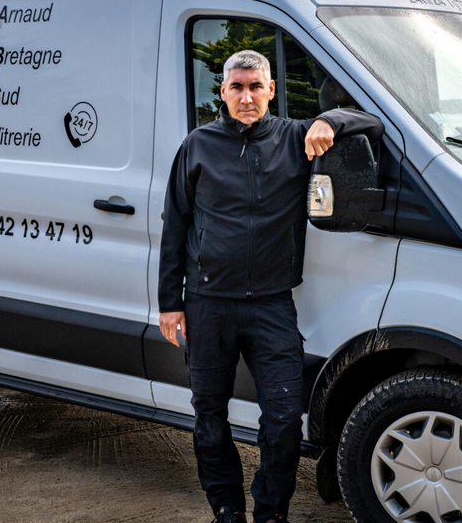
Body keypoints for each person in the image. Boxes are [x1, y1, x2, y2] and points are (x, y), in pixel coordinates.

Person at [158, 50, 383, 523]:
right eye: (236, 87)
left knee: (283, 422)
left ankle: (270, 512)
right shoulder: (197, 145)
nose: (245, 97)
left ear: (271, 90)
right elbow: (176, 223)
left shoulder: (296, 138)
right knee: (209, 418)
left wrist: (330, 121)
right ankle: (226, 507)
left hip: (271, 307)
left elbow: (371, 120)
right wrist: (169, 304)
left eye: (255, 87)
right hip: (207, 305)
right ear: (222, 92)